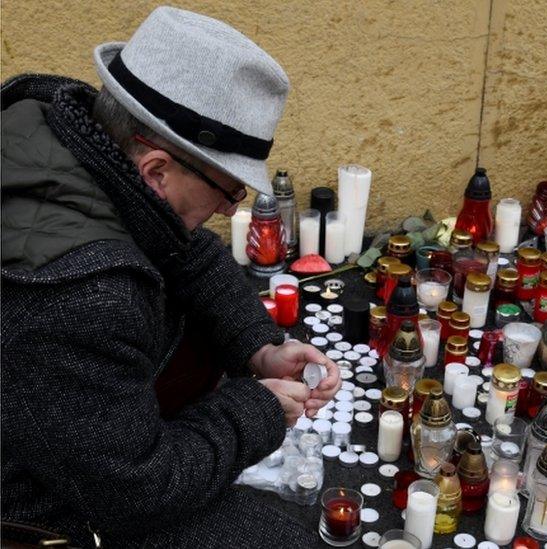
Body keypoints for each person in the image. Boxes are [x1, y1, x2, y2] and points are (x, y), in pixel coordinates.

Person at [1, 7, 338, 547]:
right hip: (41, 503)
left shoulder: (71, 137)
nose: (232, 210)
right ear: (157, 171)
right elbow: (138, 492)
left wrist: (259, 348)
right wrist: (259, 408)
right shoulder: (82, 296)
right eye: (229, 190)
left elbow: (187, 251)